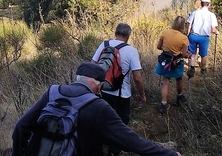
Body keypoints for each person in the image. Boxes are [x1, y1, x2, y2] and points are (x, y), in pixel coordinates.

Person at [11, 62, 182, 156]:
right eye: (101, 86)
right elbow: (132, 141)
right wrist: (169, 154)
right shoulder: (98, 107)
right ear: (96, 84)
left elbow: (20, 127)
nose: (100, 89)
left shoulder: (52, 92)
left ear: (77, 78)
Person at [91, 23, 145, 125]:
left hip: (102, 90)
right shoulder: (131, 51)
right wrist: (142, 95)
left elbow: (92, 65)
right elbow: (137, 78)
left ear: (115, 33)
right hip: (121, 95)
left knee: (103, 123)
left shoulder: (104, 45)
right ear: (128, 36)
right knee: (120, 126)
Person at [155, 16, 192, 114]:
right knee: (179, 79)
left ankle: (163, 104)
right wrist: (188, 55)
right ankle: (179, 97)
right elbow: (184, 55)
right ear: (182, 25)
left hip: (165, 62)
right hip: (177, 62)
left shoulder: (165, 33)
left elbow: (158, 47)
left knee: (165, 82)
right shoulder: (184, 38)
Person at [186, 0, 218, 77]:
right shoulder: (211, 15)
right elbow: (213, 29)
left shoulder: (195, 12)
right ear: (209, 4)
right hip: (204, 37)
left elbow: (189, 25)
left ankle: (192, 68)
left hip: (193, 36)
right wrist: (217, 32)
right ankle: (203, 70)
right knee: (203, 55)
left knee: (192, 53)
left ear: (201, 3)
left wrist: (188, 34)